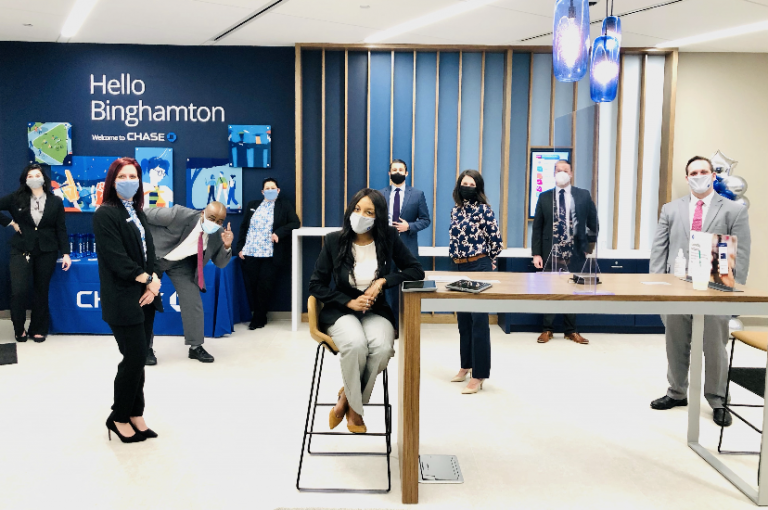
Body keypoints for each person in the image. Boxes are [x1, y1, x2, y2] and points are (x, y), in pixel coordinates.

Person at [309, 189, 424, 433]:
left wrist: (383, 281)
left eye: (369, 212)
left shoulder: (388, 237)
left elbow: (416, 270)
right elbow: (316, 285)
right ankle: (356, 412)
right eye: (357, 209)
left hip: (376, 311)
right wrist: (348, 302)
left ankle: (347, 399)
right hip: (340, 311)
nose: (361, 215)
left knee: (382, 350)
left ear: (378, 216)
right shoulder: (334, 241)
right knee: (356, 345)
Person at [649, 155, 751, 427]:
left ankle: (718, 399)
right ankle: (676, 392)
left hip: (715, 288)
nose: (698, 176)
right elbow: (659, 250)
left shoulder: (733, 210)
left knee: (715, 347)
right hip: (676, 288)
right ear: (687, 178)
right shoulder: (671, 209)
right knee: (675, 343)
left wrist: (733, 293)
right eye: (693, 173)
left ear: (713, 175)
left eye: (703, 171)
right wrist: (657, 288)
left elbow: (741, 254)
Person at [93, 157, 163, 443]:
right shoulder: (105, 214)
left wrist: (154, 282)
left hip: (146, 296)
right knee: (133, 358)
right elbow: (116, 259)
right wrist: (147, 279)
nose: (128, 181)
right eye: (122, 176)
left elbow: (150, 253)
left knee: (139, 358)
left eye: (133, 176)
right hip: (122, 298)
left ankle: (136, 413)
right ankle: (118, 416)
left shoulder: (137, 211)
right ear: (112, 181)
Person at [144, 202, 234, 364]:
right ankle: (145, 348)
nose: (215, 223)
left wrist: (227, 245)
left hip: (180, 263)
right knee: (147, 300)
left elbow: (220, 263)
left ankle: (195, 347)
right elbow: (144, 214)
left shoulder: (218, 233)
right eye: (212, 218)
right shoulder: (178, 214)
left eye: (220, 221)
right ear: (202, 213)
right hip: (154, 257)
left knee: (193, 301)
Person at [0, 164, 72, 342]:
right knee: (19, 290)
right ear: (25, 180)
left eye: (37, 175)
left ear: (44, 178)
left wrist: (66, 253)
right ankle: (19, 329)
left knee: (41, 290)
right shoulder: (15, 198)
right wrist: (10, 223)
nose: (34, 178)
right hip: (21, 248)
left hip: (47, 250)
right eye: (30, 176)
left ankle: (38, 328)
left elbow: (61, 228)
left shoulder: (55, 201)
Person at [531, 159, 597, 345]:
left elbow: (593, 222)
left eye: (565, 170)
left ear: (571, 174)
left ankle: (571, 331)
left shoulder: (583, 195)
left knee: (572, 291)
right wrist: (536, 254)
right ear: (554, 174)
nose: (561, 173)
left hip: (575, 253)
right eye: (558, 170)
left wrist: (587, 248)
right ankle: (547, 329)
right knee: (549, 291)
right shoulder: (544, 197)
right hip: (550, 252)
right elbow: (537, 227)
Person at [449, 170, 503, 394]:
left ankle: (479, 375)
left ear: (478, 188)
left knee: (479, 322)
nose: (467, 187)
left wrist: (489, 261)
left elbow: (496, 241)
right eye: (464, 183)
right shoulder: (456, 210)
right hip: (459, 267)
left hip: (479, 266)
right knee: (464, 321)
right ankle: (466, 365)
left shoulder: (484, 210)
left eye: (472, 184)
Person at [237, 178, 300, 330]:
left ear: (278, 190)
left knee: (264, 287)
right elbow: (244, 227)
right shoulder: (252, 205)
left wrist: (279, 233)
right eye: (267, 188)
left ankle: (258, 318)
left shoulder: (284, 205)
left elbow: (295, 223)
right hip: (250, 252)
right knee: (253, 286)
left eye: (273, 188)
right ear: (262, 191)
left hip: (270, 254)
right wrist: (240, 248)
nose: (270, 190)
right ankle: (259, 316)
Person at [377, 159, 431, 331]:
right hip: (386, 248)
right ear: (389, 173)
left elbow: (425, 220)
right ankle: (391, 325)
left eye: (401, 169)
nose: (397, 172)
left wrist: (409, 226)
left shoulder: (417, 194)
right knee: (388, 285)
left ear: (406, 173)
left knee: (410, 286)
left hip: (408, 247)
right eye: (394, 169)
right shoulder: (380, 194)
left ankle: (409, 325)